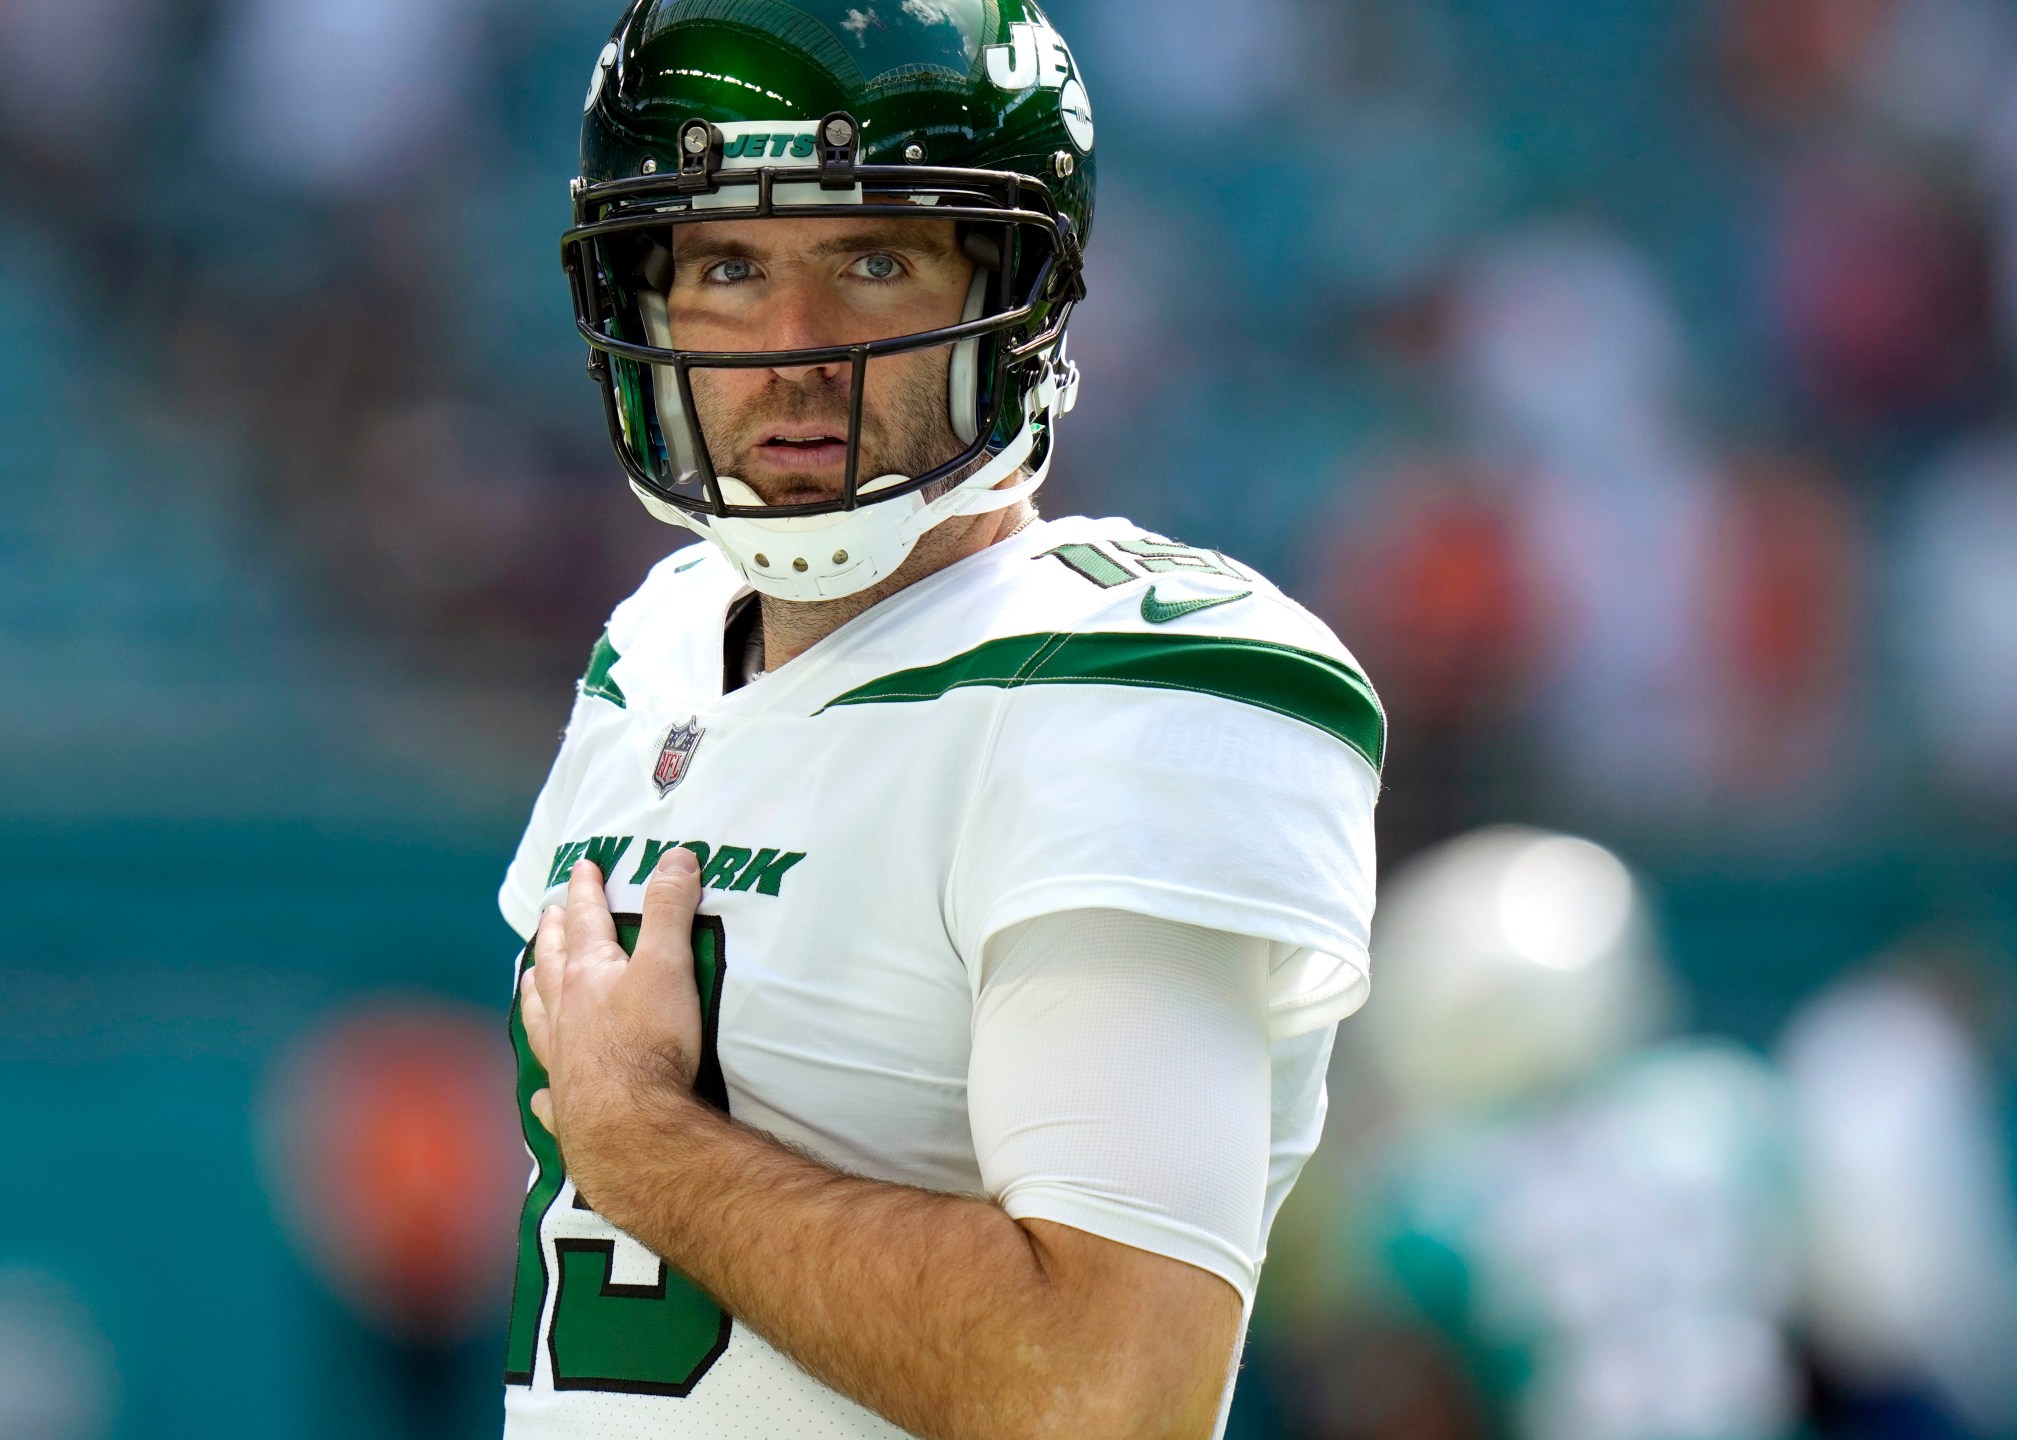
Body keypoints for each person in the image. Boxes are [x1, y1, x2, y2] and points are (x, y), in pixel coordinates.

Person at [497, 3, 1384, 1436]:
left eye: (872, 259)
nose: (791, 348)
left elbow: (1107, 1390)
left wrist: (645, 1143)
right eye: (727, 265)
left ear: (1019, 294)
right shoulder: (656, 646)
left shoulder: (1124, 682)